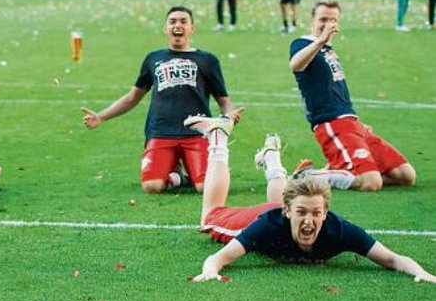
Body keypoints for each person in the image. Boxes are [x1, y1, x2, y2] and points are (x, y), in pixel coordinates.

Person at [185, 115, 435, 284]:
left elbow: (392, 259)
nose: (309, 220)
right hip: (262, 215)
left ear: (325, 213)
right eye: (302, 212)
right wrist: (209, 271)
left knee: (284, 202)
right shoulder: (267, 225)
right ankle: (218, 136)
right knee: (209, 215)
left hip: (281, 206)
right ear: (288, 212)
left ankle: (272, 160)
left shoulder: (339, 230)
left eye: (316, 213)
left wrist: (420, 272)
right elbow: (218, 259)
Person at [82, 6, 240, 194]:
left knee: (205, 187)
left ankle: (199, 168)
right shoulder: (153, 58)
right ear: (166, 28)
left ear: (192, 28)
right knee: (152, 186)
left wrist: (229, 115)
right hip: (161, 131)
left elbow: (223, 99)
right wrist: (101, 117)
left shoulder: (207, 60)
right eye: (172, 22)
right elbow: (133, 97)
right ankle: (177, 177)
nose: (177, 25)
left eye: (183, 21)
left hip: (196, 133)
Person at [289, 0, 416, 191]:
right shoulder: (303, 43)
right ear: (312, 20)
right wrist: (320, 41)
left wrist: (356, 122)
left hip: (351, 122)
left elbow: (336, 91)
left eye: (333, 20)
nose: (328, 24)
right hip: (331, 123)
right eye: (323, 19)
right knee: (371, 183)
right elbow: (295, 65)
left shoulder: (328, 50)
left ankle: (340, 170)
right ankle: (309, 176)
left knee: (406, 175)